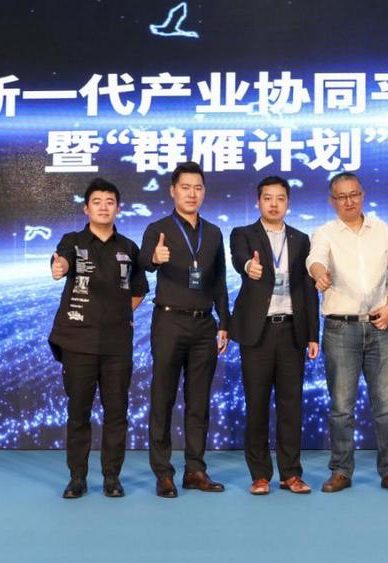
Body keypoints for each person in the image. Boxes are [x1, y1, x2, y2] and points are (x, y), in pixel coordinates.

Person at [306, 172, 388, 494]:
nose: (349, 201)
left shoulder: (381, 229)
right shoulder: (324, 233)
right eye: (341, 197)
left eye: (354, 195)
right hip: (340, 329)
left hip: (380, 325)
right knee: (341, 407)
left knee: (387, 406)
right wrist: (319, 274)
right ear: (332, 201)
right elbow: (315, 259)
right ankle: (340, 470)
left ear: (362, 195)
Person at [48, 178, 148, 499]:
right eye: (97, 201)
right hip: (78, 341)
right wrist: (60, 266)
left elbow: (139, 290)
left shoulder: (129, 248)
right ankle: (77, 478)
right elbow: (62, 260)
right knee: (78, 413)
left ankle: (111, 477)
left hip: (117, 345)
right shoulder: (73, 241)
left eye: (109, 202)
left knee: (116, 413)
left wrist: (119, 313)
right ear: (86, 208)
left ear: (118, 208)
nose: (103, 207)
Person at [139, 161, 230, 498]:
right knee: (162, 398)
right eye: (185, 187)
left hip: (205, 324)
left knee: (198, 401)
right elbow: (143, 262)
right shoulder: (158, 229)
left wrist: (225, 323)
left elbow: (219, 281)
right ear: (173, 191)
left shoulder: (214, 233)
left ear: (204, 192)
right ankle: (163, 473)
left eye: (198, 188)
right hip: (169, 322)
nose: (192, 194)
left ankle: (195, 470)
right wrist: (155, 258)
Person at [229, 176, 320, 495]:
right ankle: (260, 475)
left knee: (291, 406)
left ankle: (291, 474)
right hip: (259, 332)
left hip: (292, 331)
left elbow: (308, 289)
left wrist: (313, 334)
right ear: (258, 202)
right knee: (256, 405)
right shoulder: (243, 234)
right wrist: (248, 267)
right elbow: (239, 258)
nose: (273, 204)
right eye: (267, 198)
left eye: (280, 198)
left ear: (287, 203)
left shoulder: (301, 239)